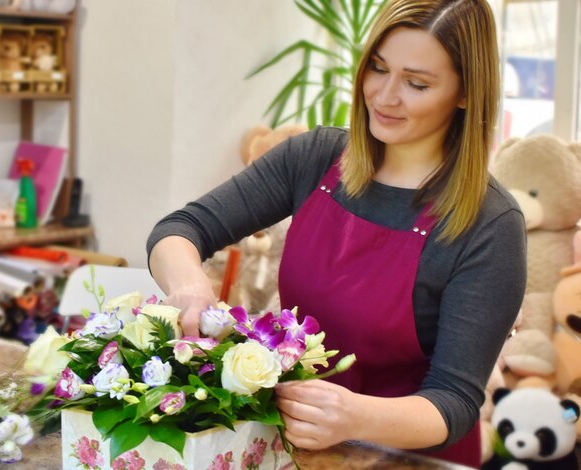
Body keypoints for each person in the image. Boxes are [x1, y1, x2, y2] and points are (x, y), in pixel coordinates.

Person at [146, 0, 526, 467]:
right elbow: (180, 229)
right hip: (297, 448)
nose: (384, 96)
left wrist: (355, 416)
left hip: (411, 459)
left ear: (466, 93)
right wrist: (189, 285)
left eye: (416, 83)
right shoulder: (312, 159)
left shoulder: (490, 225)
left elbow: (455, 402)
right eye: (378, 69)